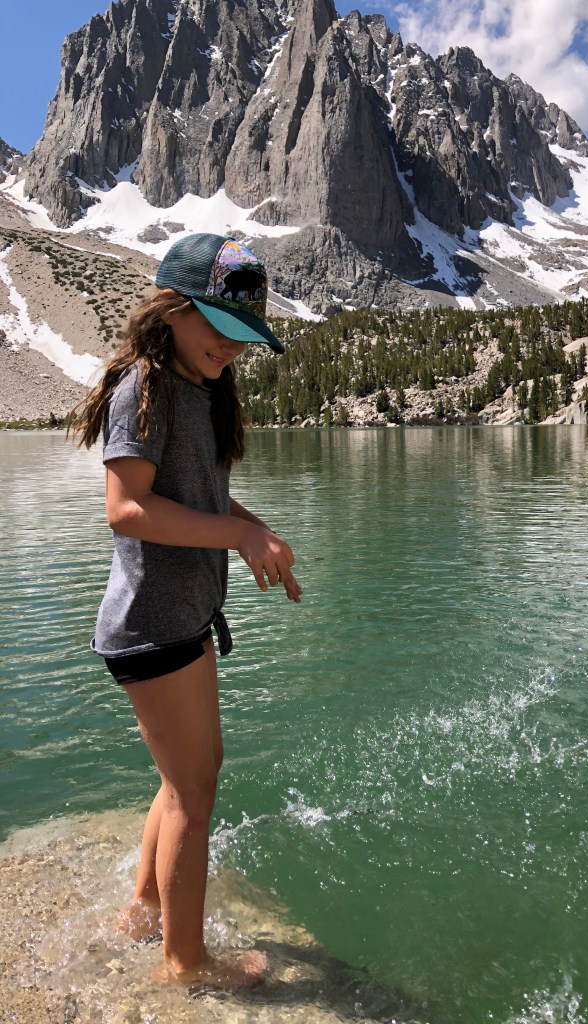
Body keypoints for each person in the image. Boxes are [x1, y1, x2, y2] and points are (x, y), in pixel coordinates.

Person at [69, 232, 302, 987]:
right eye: (221, 326)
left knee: (193, 775)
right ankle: (185, 963)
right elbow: (127, 508)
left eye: (245, 334)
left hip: (185, 617)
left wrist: (256, 531)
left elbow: (201, 498)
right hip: (150, 625)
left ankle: (144, 907)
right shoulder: (144, 388)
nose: (232, 347)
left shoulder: (200, 389)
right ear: (172, 308)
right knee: (191, 794)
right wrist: (237, 535)